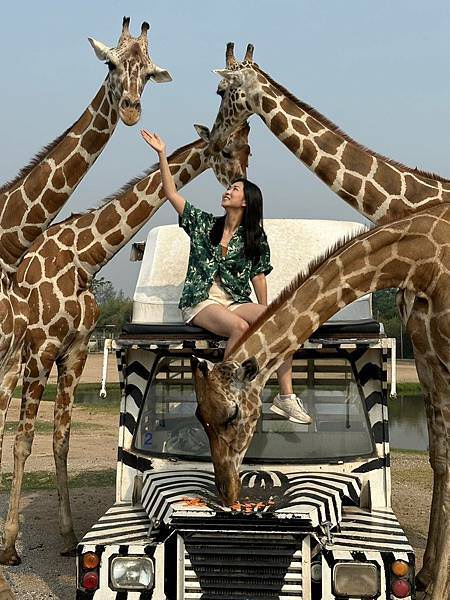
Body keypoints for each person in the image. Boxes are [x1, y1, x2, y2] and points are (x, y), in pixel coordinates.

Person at [141, 129, 311, 425]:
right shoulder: (204, 224)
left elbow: (258, 276)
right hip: (201, 301)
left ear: (246, 202)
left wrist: (267, 316)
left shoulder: (254, 237)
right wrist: (161, 154)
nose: (227, 191)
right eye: (229, 188)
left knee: (283, 320)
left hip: (234, 299)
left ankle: (285, 397)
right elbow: (171, 194)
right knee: (239, 327)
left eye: (235, 189)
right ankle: (224, 386)